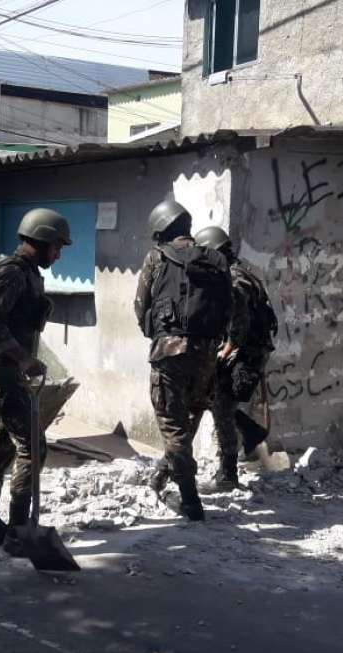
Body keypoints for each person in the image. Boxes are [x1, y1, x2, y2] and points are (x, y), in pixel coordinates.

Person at [0, 208, 71, 549]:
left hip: (3, 370)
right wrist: (23, 358)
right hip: (1, 371)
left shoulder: (27, 273)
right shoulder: (12, 272)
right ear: (41, 240)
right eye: (56, 246)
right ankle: (18, 531)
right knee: (33, 447)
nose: (58, 254)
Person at [135, 200, 232, 521]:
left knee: (172, 424)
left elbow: (141, 306)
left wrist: (158, 334)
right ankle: (161, 476)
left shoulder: (156, 258)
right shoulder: (216, 259)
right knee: (189, 420)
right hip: (206, 354)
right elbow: (229, 307)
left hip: (169, 351)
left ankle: (190, 501)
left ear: (161, 230)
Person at [194, 226, 278, 491]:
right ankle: (253, 433)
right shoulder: (241, 273)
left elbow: (239, 325)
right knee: (214, 400)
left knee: (219, 405)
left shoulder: (233, 280)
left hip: (245, 354)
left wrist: (225, 351)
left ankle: (228, 474)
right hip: (250, 352)